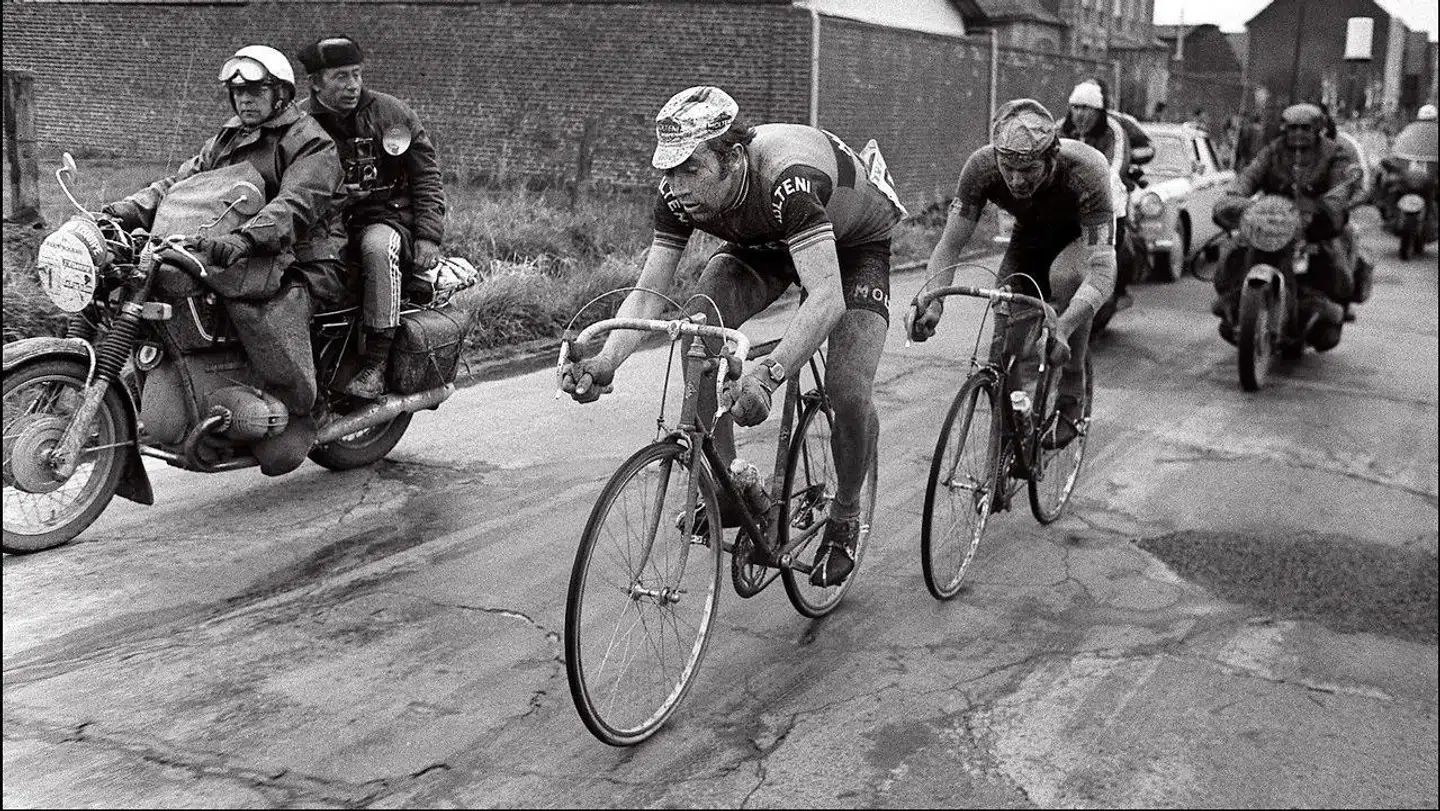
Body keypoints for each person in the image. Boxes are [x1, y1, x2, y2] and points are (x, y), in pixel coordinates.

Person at [560, 86, 906, 587]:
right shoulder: (677, 196)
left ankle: (846, 516)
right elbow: (650, 292)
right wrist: (606, 361)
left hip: (852, 249)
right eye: (668, 172)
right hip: (765, 245)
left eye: (690, 170)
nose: (676, 187)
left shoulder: (788, 179)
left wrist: (768, 374)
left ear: (735, 158)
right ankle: (728, 488)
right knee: (698, 327)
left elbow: (826, 297)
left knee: (848, 390)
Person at [101, 44, 346, 470]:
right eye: (239, 93)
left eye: (256, 91)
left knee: (258, 311)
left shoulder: (310, 142)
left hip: (307, 257)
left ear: (281, 95)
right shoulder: (228, 137)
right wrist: (125, 211)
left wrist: (245, 239)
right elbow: (179, 184)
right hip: (240, 251)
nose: (246, 100)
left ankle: (300, 408)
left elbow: (296, 205)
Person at [909, 98, 1115, 451]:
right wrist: (933, 302)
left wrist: (1062, 326)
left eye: (1029, 170)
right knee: (1005, 340)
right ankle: (1014, 421)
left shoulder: (1086, 169)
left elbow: (1102, 271)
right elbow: (948, 246)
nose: (1017, 180)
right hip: (1029, 238)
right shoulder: (982, 166)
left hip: (1081, 240)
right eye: (1008, 169)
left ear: (1051, 158)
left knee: (1066, 278)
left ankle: (1072, 389)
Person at [297, 35, 448, 400]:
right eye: (341, 77)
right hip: (326, 220)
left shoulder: (392, 114)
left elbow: (425, 175)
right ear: (316, 82)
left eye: (357, 75)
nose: (353, 86)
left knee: (378, 248)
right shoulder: (299, 122)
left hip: (387, 215)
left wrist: (428, 235)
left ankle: (376, 364)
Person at [1211, 103, 1364, 350]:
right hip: (1273, 221)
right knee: (1234, 249)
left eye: (1305, 128)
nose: (1298, 134)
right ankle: (1234, 300)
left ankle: (1331, 307)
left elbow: (1339, 190)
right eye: (1292, 128)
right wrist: (1233, 199)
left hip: (1314, 225)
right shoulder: (1273, 152)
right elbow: (1249, 176)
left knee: (1335, 262)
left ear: (1318, 129)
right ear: (1284, 129)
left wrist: (1326, 209)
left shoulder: (1335, 154)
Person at [1059, 80, 1137, 307]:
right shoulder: (1060, 129)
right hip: (1067, 202)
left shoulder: (1114, 130)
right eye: (1076, 107)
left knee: (1112, 249)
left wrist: (1096, 187)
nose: (1080, 115)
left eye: (1087, 109)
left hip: (1107, 200)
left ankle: (1113, 289)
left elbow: (1117, 165)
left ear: (1099, 111)